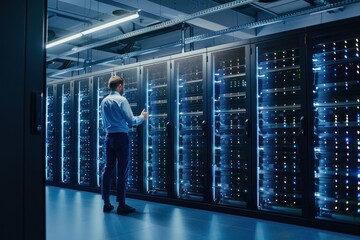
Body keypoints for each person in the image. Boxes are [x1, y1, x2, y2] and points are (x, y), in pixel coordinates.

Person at [100, 75, 148, 214]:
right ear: (120, 86)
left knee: (107, 170)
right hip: (121, 138)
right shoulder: (122, 100)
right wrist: (142, 117)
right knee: (122, 171)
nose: (124, 88)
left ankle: (107, 203)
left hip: (108, 138)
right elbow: (131, 121)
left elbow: (103, 122)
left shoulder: (104, 101)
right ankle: (121, 204)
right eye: (123, 86)